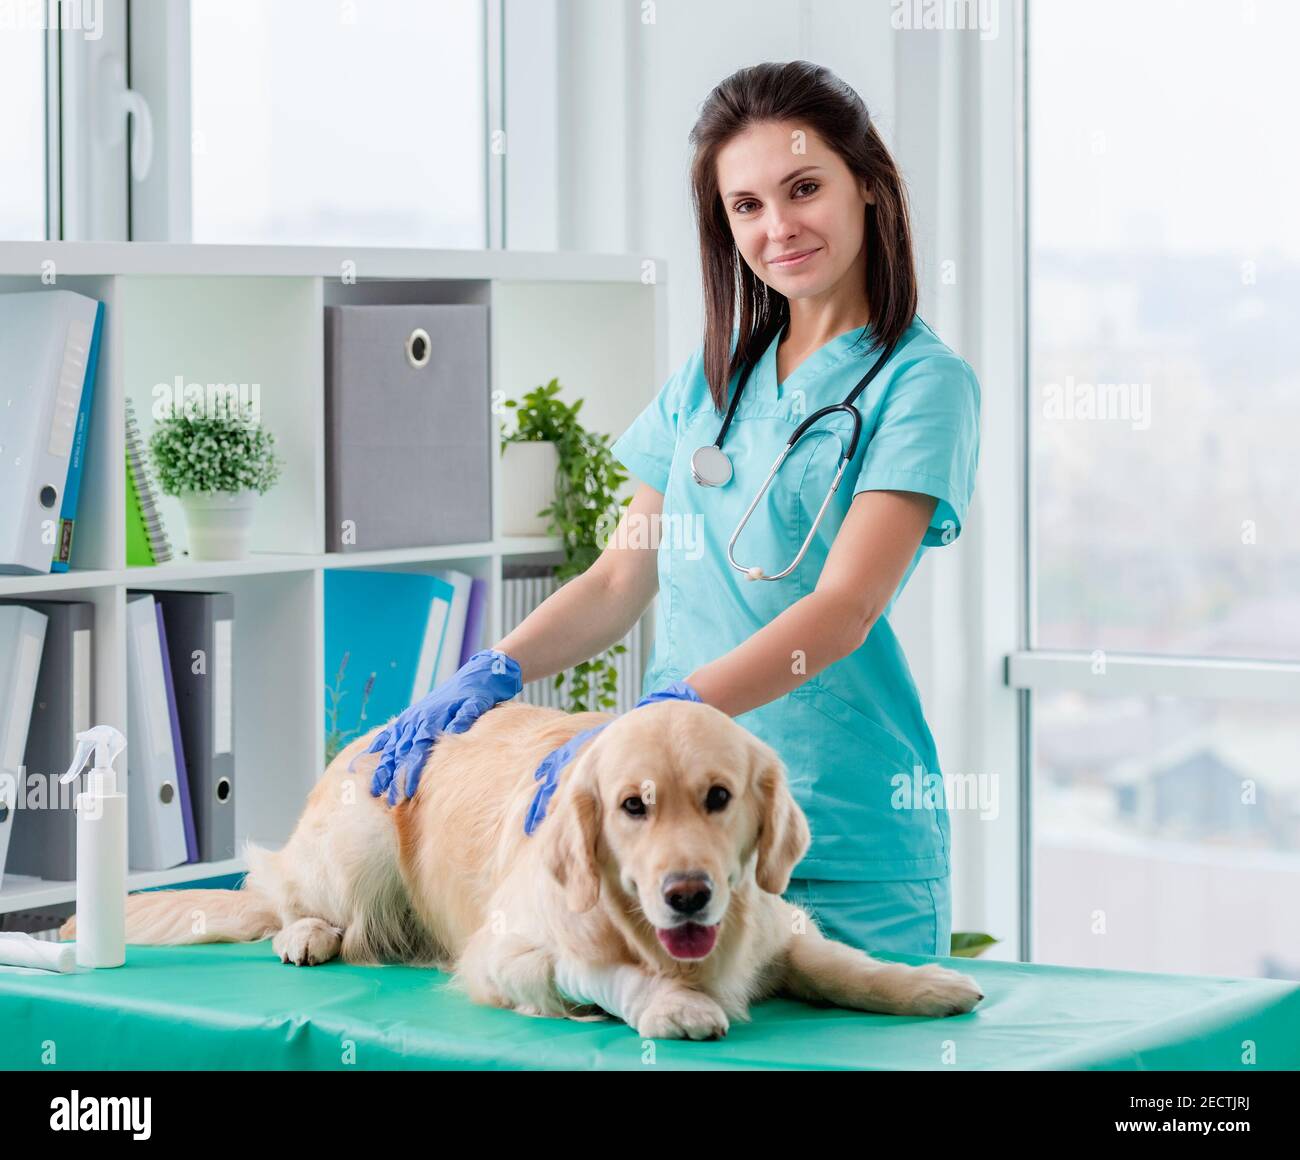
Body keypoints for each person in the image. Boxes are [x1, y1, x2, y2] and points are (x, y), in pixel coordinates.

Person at [366, 60, 980, 960]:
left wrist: (673, 707)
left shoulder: (922, 383)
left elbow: (846, 607)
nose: (778, 227)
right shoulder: (714, 375)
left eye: (804, 188)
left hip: (844, 832)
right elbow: (620, 578)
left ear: (869, 187)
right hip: (676, 842)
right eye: (747, 205)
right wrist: (494, 670)